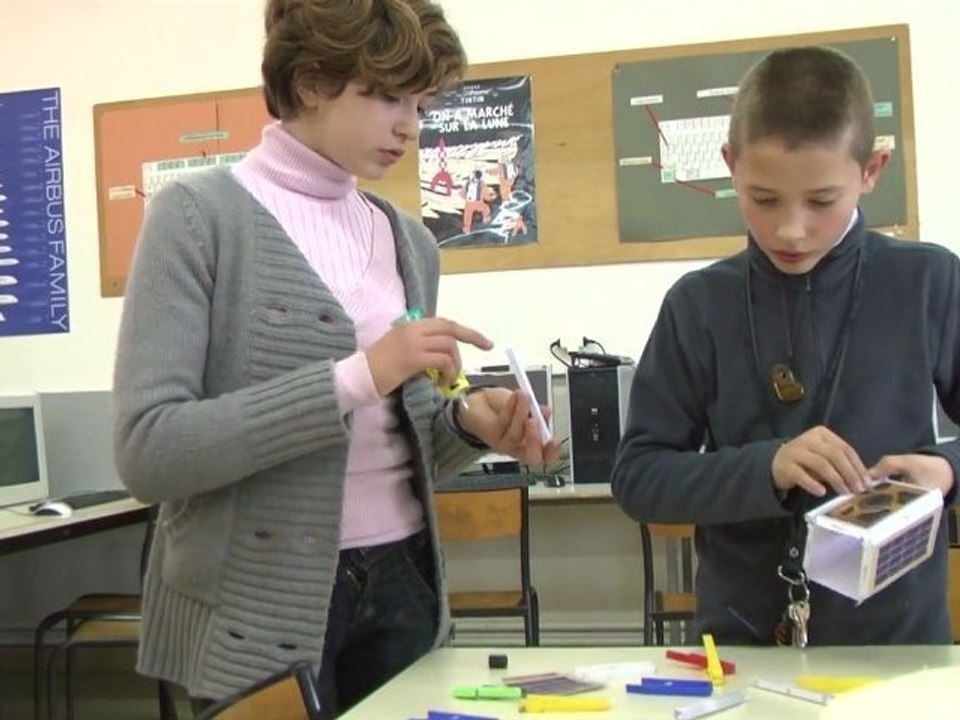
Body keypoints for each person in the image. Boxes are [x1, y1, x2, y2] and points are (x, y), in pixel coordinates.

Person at [112, 1, 559, 717]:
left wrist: (473, 425)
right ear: (313, 81)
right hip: (255, 603)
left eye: (421, 101)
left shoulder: (408, 241)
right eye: (387, 96)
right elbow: (149, 452)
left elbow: (394, 442)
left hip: (404, 579)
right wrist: (360, 374)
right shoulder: (198, 217)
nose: (411, 125)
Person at [611, 45, 960, 646]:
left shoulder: (930, 281)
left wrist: (950, 472)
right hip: (743, 647)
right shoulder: (698, 304)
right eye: (763, 199)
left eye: (821, 201)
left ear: (872, 171)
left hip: (897, 648)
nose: (790, 229)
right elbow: (639, 478)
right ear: (729, 164)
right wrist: (764, 467)